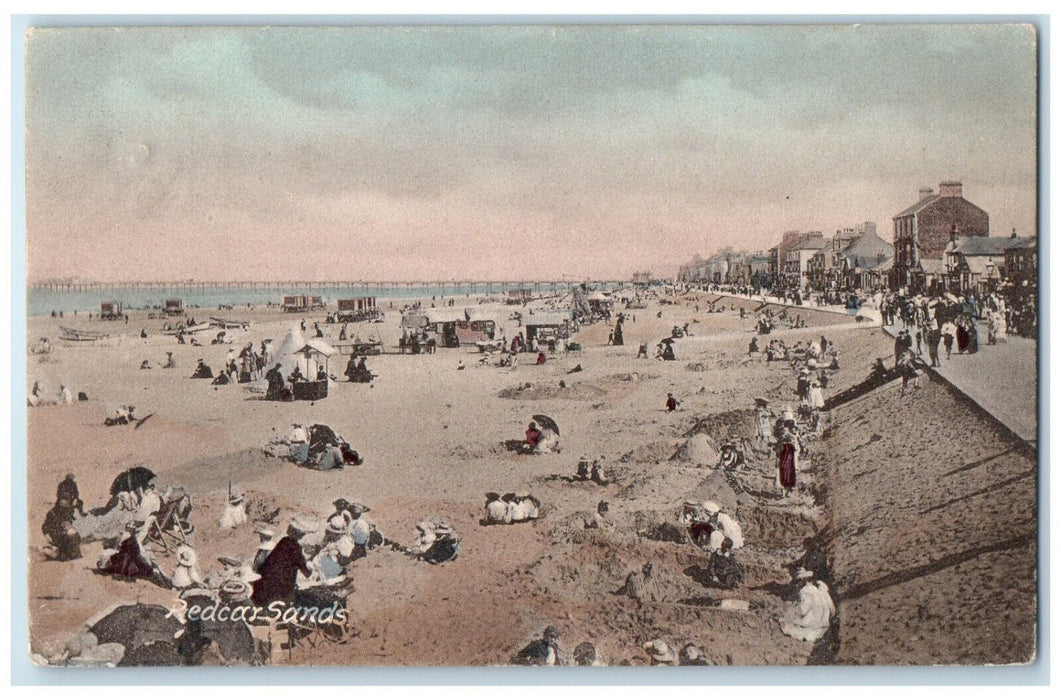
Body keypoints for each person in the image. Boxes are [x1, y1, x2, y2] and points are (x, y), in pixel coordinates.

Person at [251, 520, 313, 606]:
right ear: (300, 535)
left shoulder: (283, 540)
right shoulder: (296, 547)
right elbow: (302, 566)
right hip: (283, 582)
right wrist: (309, 572)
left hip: (269, 577)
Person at [779, 570, 835, 643]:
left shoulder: (805, 591)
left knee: (789, 622)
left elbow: (803, 610)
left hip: (814, 620)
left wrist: (795, 609)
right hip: (824, 619)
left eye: (799, 581)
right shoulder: (820, 588)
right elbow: (831, 607)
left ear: (803, 580)